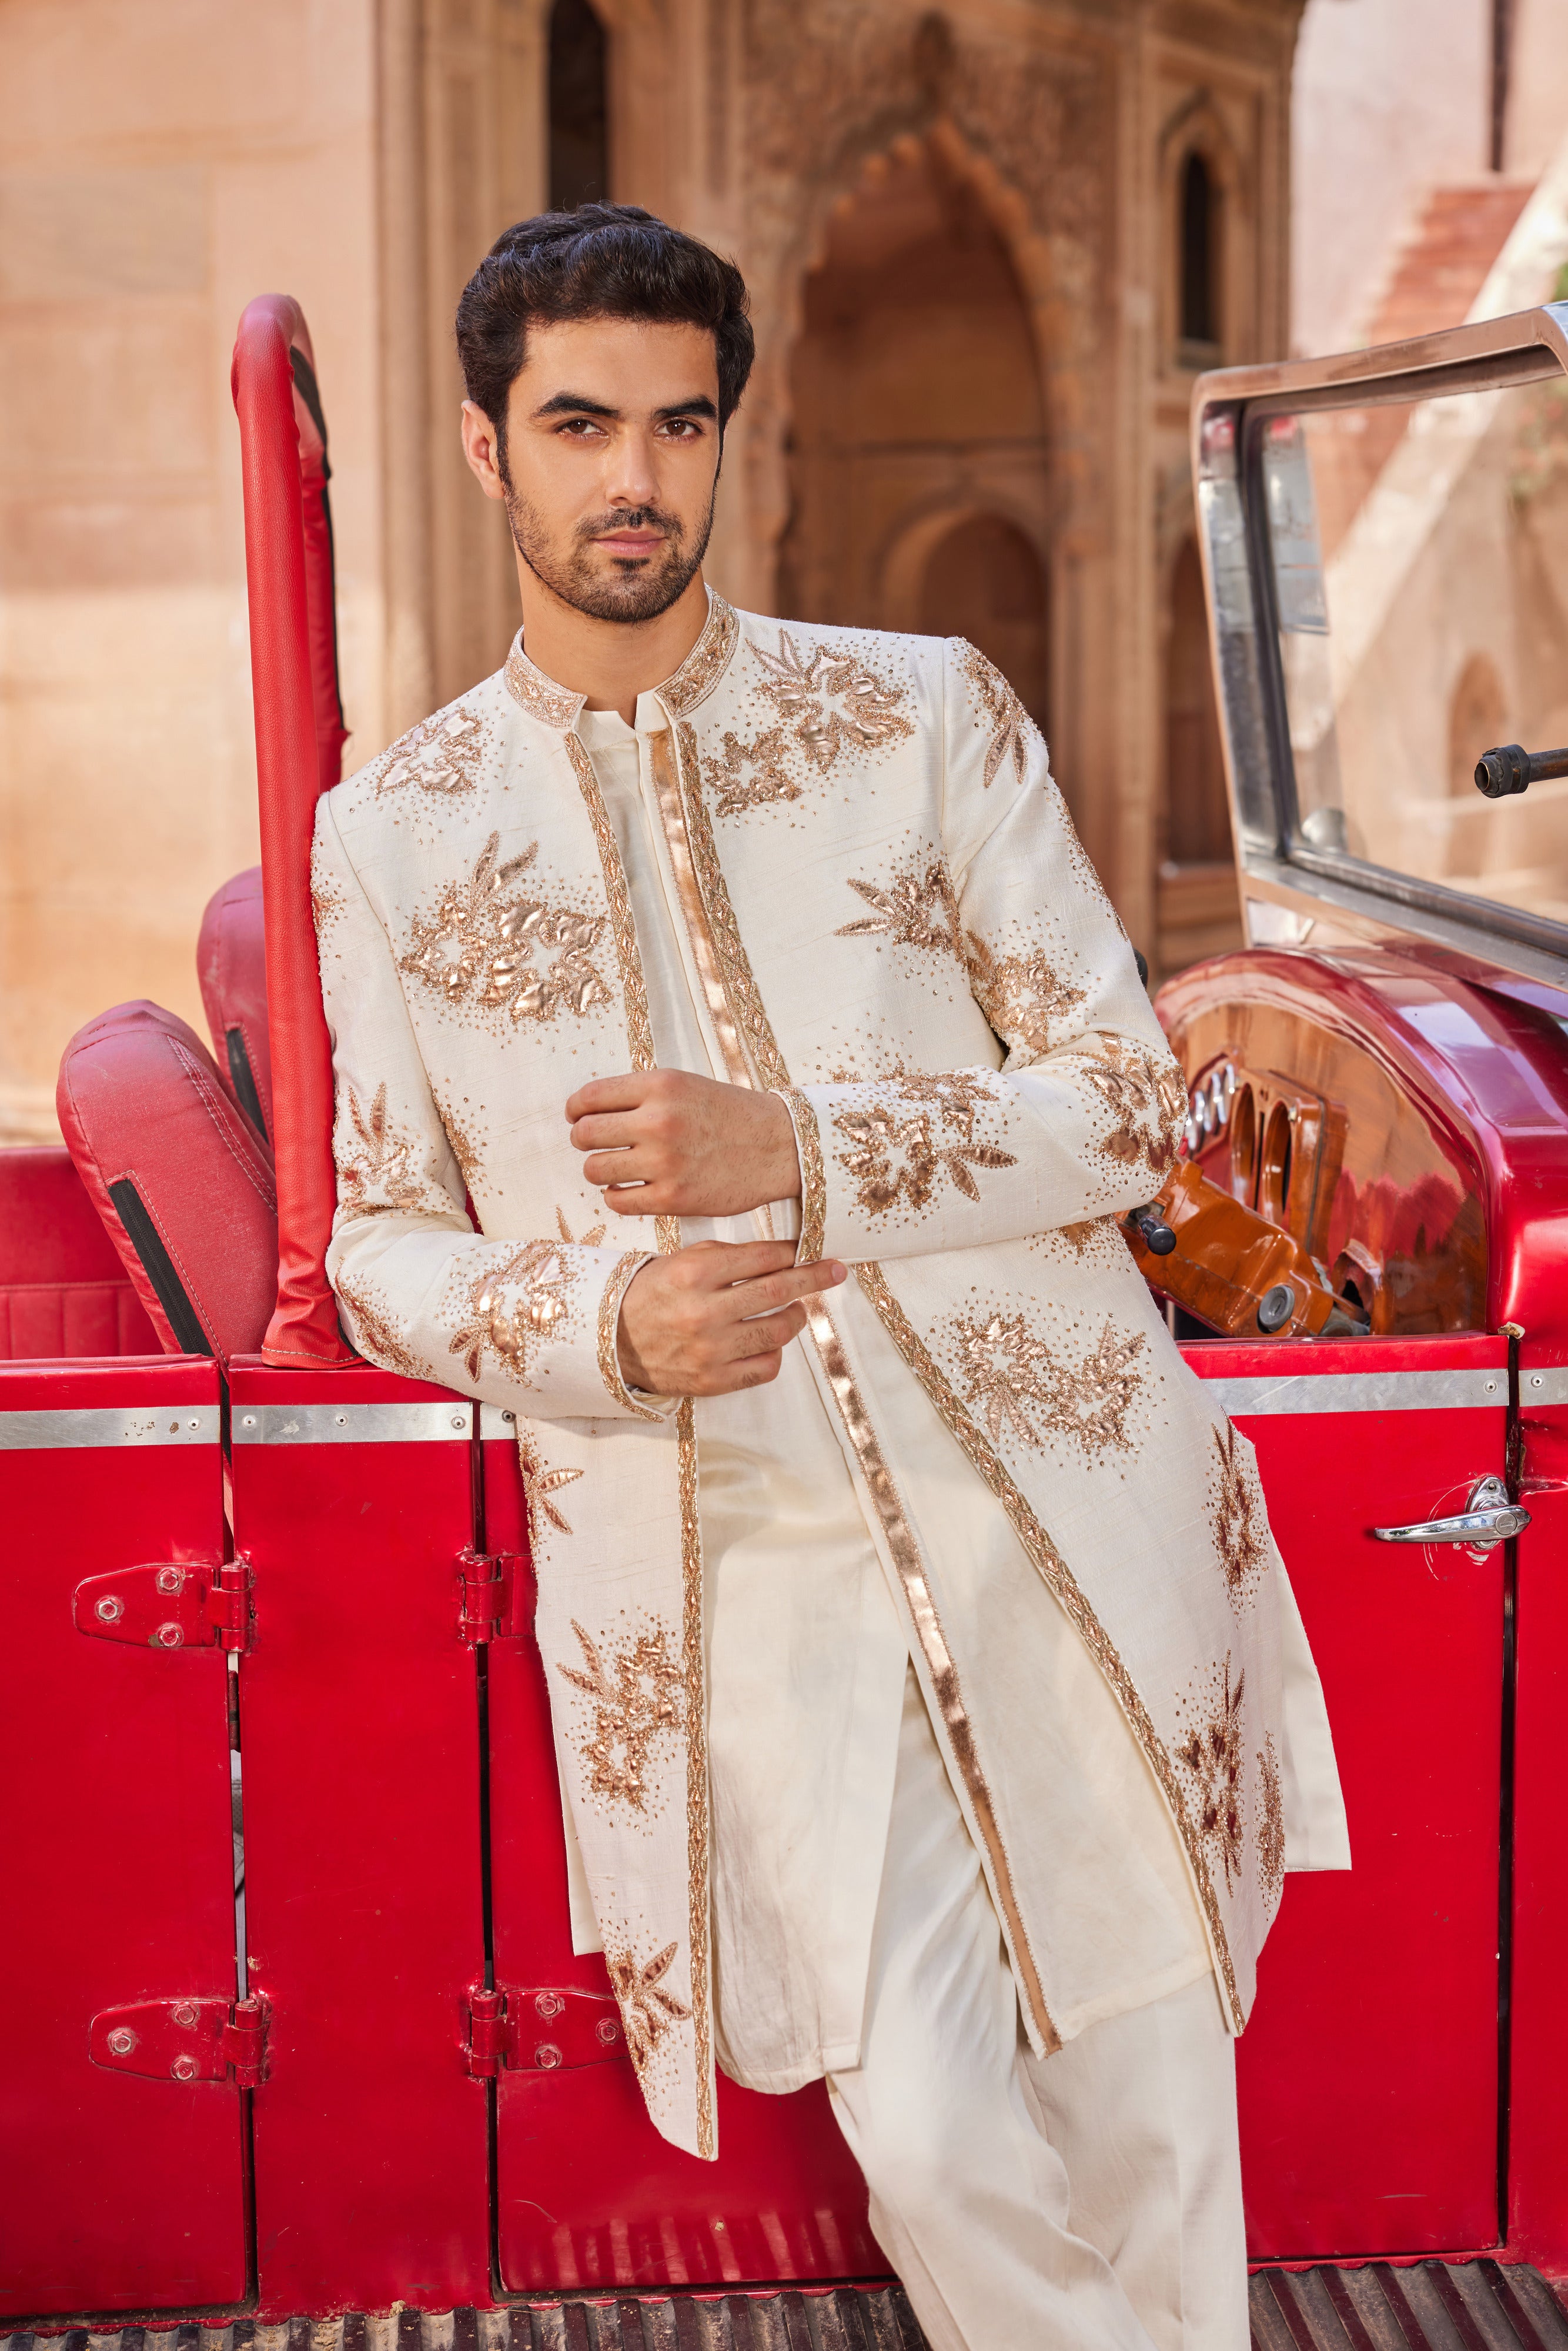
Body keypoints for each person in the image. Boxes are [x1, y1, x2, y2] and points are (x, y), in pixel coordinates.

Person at [312, 202, 1348, 2351]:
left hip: (1052, 1497)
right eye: (580, 424)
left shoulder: (919, 717)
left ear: (727, 444)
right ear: (489, 446)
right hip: (729, 1560)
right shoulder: (394, 827)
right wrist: (598, 1328)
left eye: (677, 427)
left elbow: (1121, 1098)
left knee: (1154, 2103)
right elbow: (382, 1239)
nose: (634, 481)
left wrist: (806, 1157)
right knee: (937, 2134)